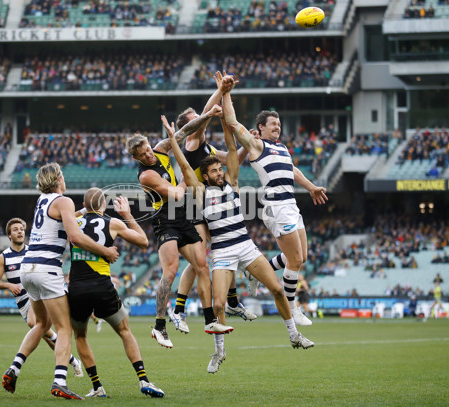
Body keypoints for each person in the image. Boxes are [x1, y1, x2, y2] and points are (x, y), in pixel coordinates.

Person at [162, 101, 314, 374]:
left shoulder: (232, 182)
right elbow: (185, 167)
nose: (220, 173)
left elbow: (232, 149)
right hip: (222, 252)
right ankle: (219, 352)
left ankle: (293, 335)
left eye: (220, 170)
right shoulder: (201, 192)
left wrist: (222, 120)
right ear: (206, 177)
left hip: (246, 247)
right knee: (218, 305)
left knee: (278, 290)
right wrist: (173, 140)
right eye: (214, 171)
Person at [1, 162, 119, 400]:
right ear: (58, 180)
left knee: (41, 325)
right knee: (64, 327)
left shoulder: (42, 200)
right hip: (47, 268)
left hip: (28, 269)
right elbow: (75, 236)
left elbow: (62, 221)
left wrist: (85, 212)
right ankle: (59, 382)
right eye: (62, 176)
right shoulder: (64, 200)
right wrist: (105, 251)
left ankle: (14, 368)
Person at [221, 73, 328, 327]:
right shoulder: (257, 146)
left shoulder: (282, 148)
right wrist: (226, 92)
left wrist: (311, 187)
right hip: (276, 206)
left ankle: (255, 270)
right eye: (273, 124)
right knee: (294, 260)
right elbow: (233, 121)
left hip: (291, 204)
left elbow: (293, 171)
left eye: (279, 124)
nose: (277, 127)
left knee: (302, 258)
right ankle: (293, 309)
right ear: (261, 128)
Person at [126, 118, 233, 349]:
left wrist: (208, 115)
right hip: (164, 219)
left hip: (182, 214)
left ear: (149, 144)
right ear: (136, 158)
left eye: (147, 150)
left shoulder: (161, 149)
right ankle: (159, 325)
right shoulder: (146, 175)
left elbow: (186, 131)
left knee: (202, 265)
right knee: (171, 270)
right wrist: (187, 176)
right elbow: (174, 194)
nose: (148, 156)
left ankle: (209, 320)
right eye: (142, 155)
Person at [169, 73, 257, 335]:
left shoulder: (206, 149)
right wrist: (220, 91)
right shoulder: (192, 141)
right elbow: (206, 114)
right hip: (195, 205)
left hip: (212, 203)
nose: (201, 118)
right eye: (195, 117)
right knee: (200, 261)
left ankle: (231, 303)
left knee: (222, 251)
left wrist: (246, 143)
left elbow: (233, 160)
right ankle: (179, 309)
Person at [68, 189, 164, 398]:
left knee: (81, 336)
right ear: (104, 205)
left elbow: (74, 214)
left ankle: (97, 386)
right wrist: (127, 215)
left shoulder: (73, 222)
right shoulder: (113, 223)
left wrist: (85, 208)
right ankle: (143, 380)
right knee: (124, 331)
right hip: (102, 286)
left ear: (84, 205)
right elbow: (143, 241)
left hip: (76, 288)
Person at [0, 217, 83, 378]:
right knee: (44, 333)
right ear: (9, 236)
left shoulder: (32, 251)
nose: (20, 231)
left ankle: (19, 366)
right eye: (15, 230)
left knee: (34, 323)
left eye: (21, 229)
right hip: (22, 301)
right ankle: (72, 360)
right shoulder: (4, 257)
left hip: (37, 294)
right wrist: (9, 285)